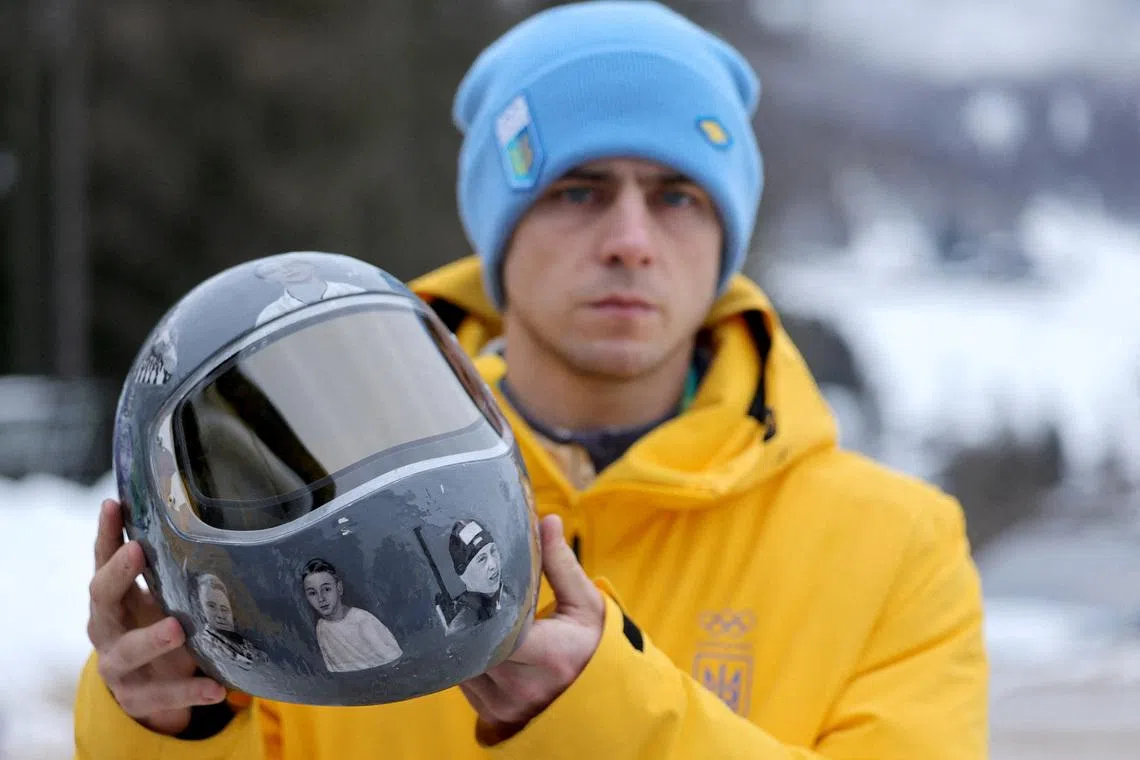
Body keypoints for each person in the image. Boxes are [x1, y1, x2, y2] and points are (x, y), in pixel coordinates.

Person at [74, 2, 989, 758]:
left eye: (677, 196)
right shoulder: (298, 505)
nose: (630, 240)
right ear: (499, 232)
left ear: (725, 237)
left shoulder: (896, 549)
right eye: (578, 191)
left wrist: (606, 716)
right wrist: (166, 726)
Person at [300, 558, 403, 673]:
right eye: (312, 593)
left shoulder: (363, 621)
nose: (321, 598)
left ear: (339, 588)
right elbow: (333, 669)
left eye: (326, 589)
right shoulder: (321, 627)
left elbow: (395, 660)